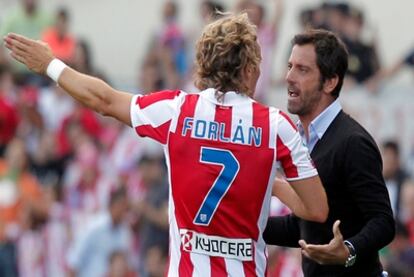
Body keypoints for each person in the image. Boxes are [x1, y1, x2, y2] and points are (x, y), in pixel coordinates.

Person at [4, 13, 329, 276]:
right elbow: (316, 210)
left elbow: (103, 99)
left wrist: (50, 64)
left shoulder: (176, 111)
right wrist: (267, 182)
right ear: (247, 70)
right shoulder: (276, 127)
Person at [263, 29, 395, 276]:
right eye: (290, 66)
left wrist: (349, 250)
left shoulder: (353, 142)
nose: (288, 77)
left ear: (330, 81)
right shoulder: (300, 142)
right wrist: (243, 225)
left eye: (302, 70)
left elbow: (383, 221)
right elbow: (305, 229)